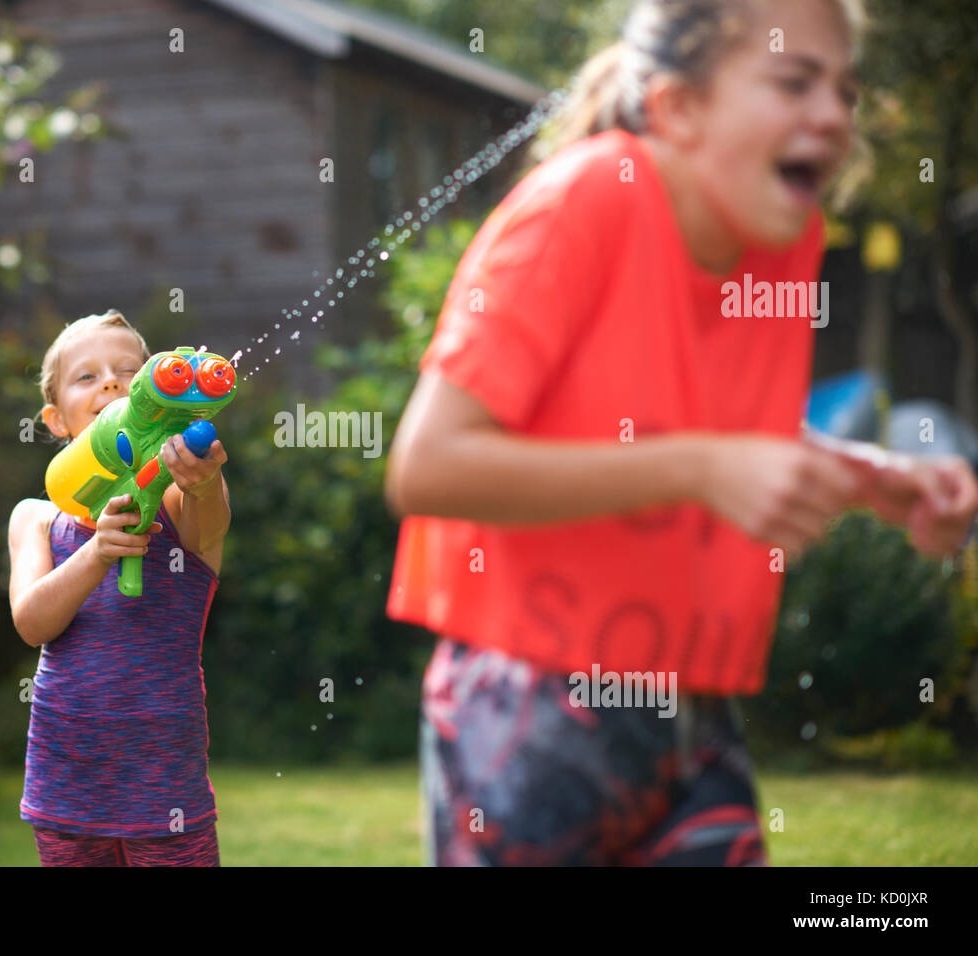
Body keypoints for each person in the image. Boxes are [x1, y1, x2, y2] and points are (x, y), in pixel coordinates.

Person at [385, 0, 978, 866]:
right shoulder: (585, 199)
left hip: (689, 704)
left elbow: (727, 442)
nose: (834, 115)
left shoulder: (784, 241)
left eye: (845, 90)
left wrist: (875, 476)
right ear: (679, 107)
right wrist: (702, 469)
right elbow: (427, 465)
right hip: (526, 694)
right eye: (794, 80)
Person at [7, 310, 231, 866]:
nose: (110, 381)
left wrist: (204, 480)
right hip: (66, 783)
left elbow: (211, 525)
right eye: (87, 376)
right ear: (56, 419)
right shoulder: (36, 519)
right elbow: (33, 623)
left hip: (165, 785)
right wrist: (97, 551)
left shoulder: (181, 496)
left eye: (129, 370)